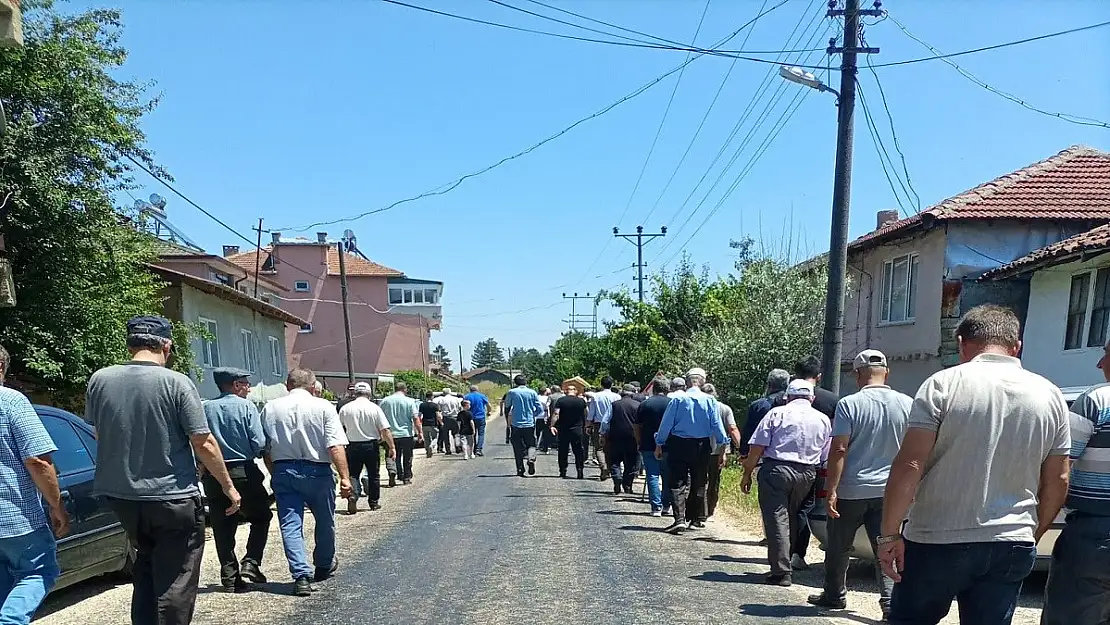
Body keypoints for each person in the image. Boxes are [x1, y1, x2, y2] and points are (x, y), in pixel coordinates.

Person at [879, 305, 1070, 625]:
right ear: (1016, 346)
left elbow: (910, 463)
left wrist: (888, 535)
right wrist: (1030, 533)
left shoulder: (943, 384)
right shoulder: (1050, 395)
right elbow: (1059, 478)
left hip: (936, 538)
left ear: (961, 342)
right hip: (1011, 540)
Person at [85, 316, 240, 625]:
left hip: (123, 497)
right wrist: (228, 486)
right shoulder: (177, 382)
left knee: (145, 566)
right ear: (167, 345)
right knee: (176, 578)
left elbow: (99, 433)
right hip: (171, 496)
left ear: (131, 344)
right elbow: (202, 441)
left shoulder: (99, 379)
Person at [806, 350, 909, 619]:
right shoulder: (907, 404)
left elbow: (839, 449)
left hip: (852, 490)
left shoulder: (849, 404)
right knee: (885, 546)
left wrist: (831, 490)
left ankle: (834, 595)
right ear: (887, 372)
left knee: (839, 546)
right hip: (889, 492)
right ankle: (890, 605)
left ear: (857, 374)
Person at [261, 368, 351, 597]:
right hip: (317, 471)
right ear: (313, 387)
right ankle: (323, 564)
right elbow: (335, 445)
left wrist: (275, 472)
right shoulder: (323, 407)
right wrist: (344, 477)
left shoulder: (270, 408)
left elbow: (266, 448)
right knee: (325, 519)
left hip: (284, 469)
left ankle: (301, 576)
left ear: (287, 385)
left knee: (290, 524)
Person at [1042, 338, 1110, 625]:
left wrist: (1036, 530)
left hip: (1095, 535)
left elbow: (1060, 470)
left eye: (1106, 354)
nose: (1099, 363)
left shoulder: (1097, 400)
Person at [0, 344, 68, 623]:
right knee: (38, 571)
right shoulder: (11, 402)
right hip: (14, 517)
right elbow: (38, 461)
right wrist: (57, 506)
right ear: (1, 367)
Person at [741, 379, 831, 587]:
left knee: (776, 518)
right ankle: (791, 558)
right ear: (812, 398)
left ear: (787, 396)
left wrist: (747, 473)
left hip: (776, 470)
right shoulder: (823, 419)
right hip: (808, 472)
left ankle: (781, 571)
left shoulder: (776, 413)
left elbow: (758, 447)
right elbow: (825, 453)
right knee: (793, 515)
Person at [201, 367, 273, 593]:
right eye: (245, 383)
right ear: (235, 385)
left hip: (214, 472)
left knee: (222, 525)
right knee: (261, 516)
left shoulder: (206, 409)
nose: (249, 388)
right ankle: (251, 561)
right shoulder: (246, 407)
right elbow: (258, 442)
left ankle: (230, 575)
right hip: (244, 471)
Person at [655, 368, 728, 534]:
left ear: (687, 382)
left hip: (678, 444)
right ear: (702, 382)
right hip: (702, 446)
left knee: (677, 482)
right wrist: (723, 445)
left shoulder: (678, 399)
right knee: (699, 482)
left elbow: (666, 424)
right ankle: (695, 518)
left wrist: (659, 443)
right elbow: (716, 424)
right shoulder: (710, 400)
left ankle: (679, 519)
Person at [785, 356, 838, 571]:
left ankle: (780, 551)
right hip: (815, 464)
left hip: (781, 461)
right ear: (819, 376)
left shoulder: (783, 398)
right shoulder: (833, 401)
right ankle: (798, 553)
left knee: (782, 508)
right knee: (805, 510)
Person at [338, 382, 396, 515]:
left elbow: (339, 428)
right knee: (373, 474)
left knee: (353, 474)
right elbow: (385, 429)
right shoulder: (374, 408)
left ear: (355, 393)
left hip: (352, 445)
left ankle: (353, 496)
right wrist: (391, 447)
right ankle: (373, 502)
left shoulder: (346, 408)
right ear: (369, 393)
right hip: (371, 445)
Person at [634, 375, 673, 517]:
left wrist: (639, 441)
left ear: (654, 389)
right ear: (668, 389)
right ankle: (666, 505)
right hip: (669, 444)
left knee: (652, 475)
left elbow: (637, 426)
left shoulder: (645, 404)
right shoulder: (673, 403)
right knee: (668, 475)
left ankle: (656, 507)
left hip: (648, 444)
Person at [702, 383, 741, 521]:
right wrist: (742, 450)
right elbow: (732, 429)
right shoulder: (725, 409)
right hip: (719, 451)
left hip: (701, 450)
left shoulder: (699, 407)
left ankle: (701, 511)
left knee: (700, 481)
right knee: (714, 482)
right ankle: (710, 511)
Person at [739, 369, 790, 458]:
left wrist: (744, 453)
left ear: (769, 384)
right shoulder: (793, 405)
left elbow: (748, 431)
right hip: (787, 456)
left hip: (759, 456)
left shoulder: (758, 405)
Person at [602, 384, 641, 495]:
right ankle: (627, 485)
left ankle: (617, 478)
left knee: (614, 460)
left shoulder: (614, 405)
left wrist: (603, 433)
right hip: (632, 437)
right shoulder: (638, 405)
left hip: (615, 437)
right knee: (631, 463)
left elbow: (605, 421)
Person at [380, 381, 422, 485]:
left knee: (392, 454)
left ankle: (394, 472)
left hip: (390, 434)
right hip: (406, 433)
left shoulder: (385, 401)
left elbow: (379, 418)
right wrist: (420, 432)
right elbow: (415, 418)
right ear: (405, 389)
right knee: (407, 456)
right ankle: (406, 477)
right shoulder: (409, 401)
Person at [505, 375, 545, 477]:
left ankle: (520, 469)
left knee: (517, 447)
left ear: (515, 382)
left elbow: (507, 406)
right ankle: (531, 459)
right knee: (531, 443)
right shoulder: (532, 392)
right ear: (525, 382)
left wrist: (508, 421)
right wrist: (533, 415)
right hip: (529, 423)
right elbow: (539, 408)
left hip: (516, 424)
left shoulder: (512, 392)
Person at [550, 383, 588, 479]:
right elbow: (586, 413)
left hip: (564, 429)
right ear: (575, 391)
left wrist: (552, 425)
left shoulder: (561, 401)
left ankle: (563, 470)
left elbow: (556, 414)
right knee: (578, 450)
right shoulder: (581, 401)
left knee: (563, 451)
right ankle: (580, 469)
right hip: (577, 429)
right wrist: (587, 425)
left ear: (566, 391)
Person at [587, 377, 620, 481]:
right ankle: (610, 468)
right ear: (612, 384)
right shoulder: (617, 396)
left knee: (599, 448)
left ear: (601, 385)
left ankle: (604, 467)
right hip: (613, 424)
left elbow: (591, 413)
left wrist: (588, 425)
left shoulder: (596, 396)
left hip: (598, 424)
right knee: (611, 447)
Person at [462, 385, 491, 456]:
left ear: (470, 390)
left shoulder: (466, 397)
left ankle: (474, 449)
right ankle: (479, 449)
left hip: (470, 418)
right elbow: (488, 405)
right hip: (480, 417)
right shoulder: (482, 396)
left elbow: (463, 407)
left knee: (472, 433)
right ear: (477, 390)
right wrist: (488, 412)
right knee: (481, 434)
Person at [434, 388, 462, 455]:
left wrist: (440, 394)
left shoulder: (442, 399)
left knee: (445, 435)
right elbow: (460, 406)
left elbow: (433, 401)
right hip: (455, 417)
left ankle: (448, 450)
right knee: (456, 434)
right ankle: (457, 447)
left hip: (446, 418)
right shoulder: (456, 399)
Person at [418, 391, 442, 459]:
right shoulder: (435, 405)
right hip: (433, 424)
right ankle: (431, 446)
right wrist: (441, 422)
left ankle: (427, 451)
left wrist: (420, 422)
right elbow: (438, 415)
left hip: (424, 424)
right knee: (435, 437)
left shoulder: (422, 405)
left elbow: (419, 415)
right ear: (432, 396)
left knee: (426, 439)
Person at [540, 386, 564, 454]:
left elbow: (547, 405)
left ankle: (546, 448)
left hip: (552, 416)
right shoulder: (563, 396)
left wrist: (547, 415)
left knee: (547, 432)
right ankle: (565, 448)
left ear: (553, 390)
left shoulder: (551, 396)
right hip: (562, 417)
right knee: (562, 433)